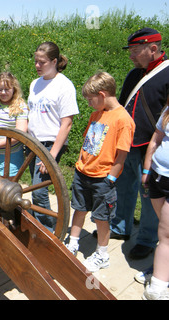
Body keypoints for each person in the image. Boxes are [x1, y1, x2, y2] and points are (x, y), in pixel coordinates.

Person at [65, 72, 135, 273]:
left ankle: (102, 254)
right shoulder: (97, 114)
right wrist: (81, 162)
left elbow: (121, 155)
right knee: (79, 207)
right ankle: (73, 242)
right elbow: (89, 141)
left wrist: (111, 177)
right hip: (83, 173)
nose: (88, 104)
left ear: (102, 95)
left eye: (90, 99)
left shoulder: (123, 120)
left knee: (102, 217)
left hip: (103, 178)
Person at [110, 28, 169, 260]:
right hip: (128, 143)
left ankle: (146, 239)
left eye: (135, 51)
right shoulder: (135, 74)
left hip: (151, 145)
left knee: (148, 195)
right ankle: (120, 227)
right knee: (123, 187)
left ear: (152, 48)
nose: (131, 56)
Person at [27, 41, 79, 231]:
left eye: (42, 62)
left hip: (50, 144)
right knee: (34, 189)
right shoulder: (35, 84)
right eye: (36, 62)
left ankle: (48, 233)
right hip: (32, 142)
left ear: (54, 61)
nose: (37, 66)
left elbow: (67, 123)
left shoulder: (64, 86)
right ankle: (41, 227)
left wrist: (52, 153)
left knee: (39, 191)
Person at [140, 95, 169, 300]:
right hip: (158, 176)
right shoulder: (168, 111)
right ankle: (163, 267)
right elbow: (156, 138)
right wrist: (147, 168)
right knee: (165, 228)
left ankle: (158, 286)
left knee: (166, 234)